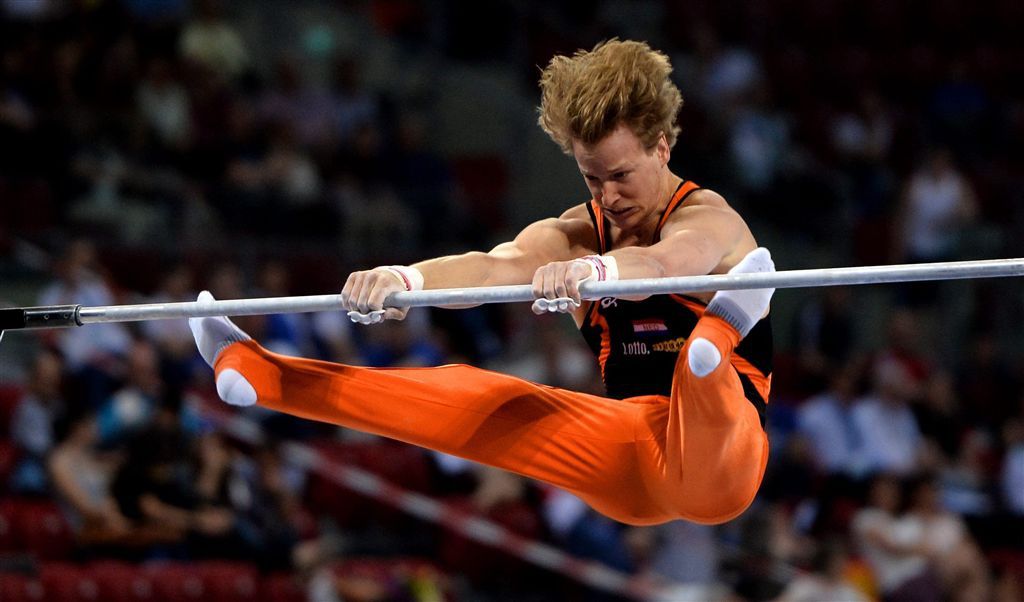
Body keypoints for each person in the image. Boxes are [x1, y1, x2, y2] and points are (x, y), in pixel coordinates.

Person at [190, 39, 775, 526]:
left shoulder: (709, 220)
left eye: (621, 175)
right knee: (479, 398)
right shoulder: (576, 233)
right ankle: (259, 373)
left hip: (722, 465)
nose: (608, 197)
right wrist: (404, 279)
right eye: (592, 178)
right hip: (627, 457)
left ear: (662, 147)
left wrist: (597, 274)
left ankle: (720, 332)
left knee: (706, 380)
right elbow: (494, 268)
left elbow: (665, 266)